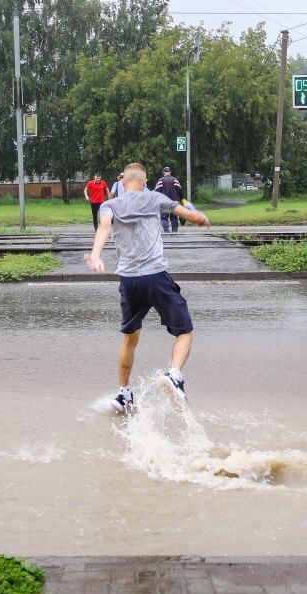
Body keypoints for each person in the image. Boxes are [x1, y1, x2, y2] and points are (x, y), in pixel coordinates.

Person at [86, 162, 210, 413]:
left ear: (122, 183)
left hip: (129, 280)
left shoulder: (110, 205)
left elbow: (105, 227)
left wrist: (96, 255)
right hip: (155, 276)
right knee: (184, 332)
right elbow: (194, 218)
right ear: (144, 182)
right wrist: (200, 216)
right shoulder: (155, 198)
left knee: (130, 338)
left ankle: (123, 394)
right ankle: (174, 374)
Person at [153, 166, 184, 233]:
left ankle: (166, 231)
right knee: (174, 217)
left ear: (164, 172)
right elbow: (179, 190)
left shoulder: (161, 180)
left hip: (164, 202)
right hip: (174, 201)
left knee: (164, 217)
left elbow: (156, 191)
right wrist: (181, 198)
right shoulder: (174, 180)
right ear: (170, 172)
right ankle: (174, 231)